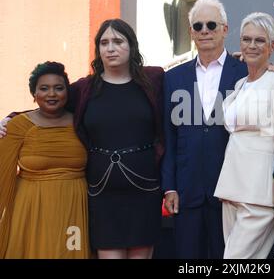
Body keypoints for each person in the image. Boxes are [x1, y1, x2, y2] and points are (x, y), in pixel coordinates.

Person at [0, 19, 165, 259]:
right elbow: (49, 104)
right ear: (97, 49)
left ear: (132, 46)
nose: (111, 48)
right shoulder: (85, 88)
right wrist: (11, 118)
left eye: (118, 41)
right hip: (102, 193)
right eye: (104, 42)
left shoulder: (154, 80)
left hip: (144, 190)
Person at [162, 0, 248, 259]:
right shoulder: (173, 77)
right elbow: (168, 136)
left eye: (211, 24)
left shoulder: (246, 72)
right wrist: (170, 187)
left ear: (225, 28)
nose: (205, 31)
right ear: (191, 32)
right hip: (187, 191)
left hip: (232, 191)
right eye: (198, 26)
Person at [213, 12, 274, 259]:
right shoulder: (240, 84)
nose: (252, 45)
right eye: (246, 39)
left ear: (272, 46)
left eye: (259, 40)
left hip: (261, 192)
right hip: (231, 187)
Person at [0, 61, 90, 258]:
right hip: (30, 210)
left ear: (67, 93)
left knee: (70, 252)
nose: (52, 94)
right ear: (34, 94)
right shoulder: (17, 126)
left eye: (59, 88)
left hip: (72, 208)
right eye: (44, 88)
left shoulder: (81, 124)